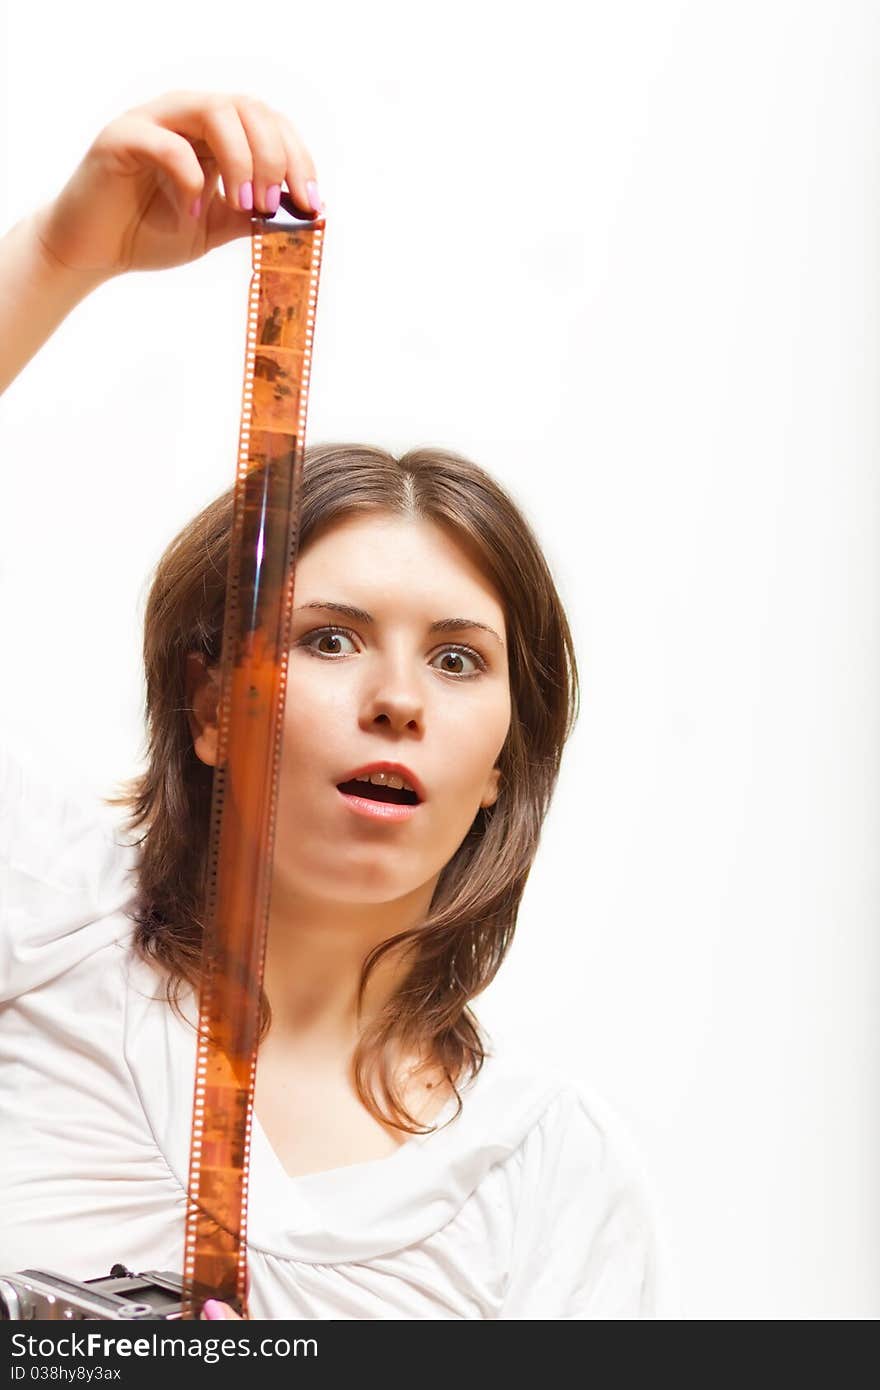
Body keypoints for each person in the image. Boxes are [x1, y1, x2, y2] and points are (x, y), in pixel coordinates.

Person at [0, 90, 672, 1320]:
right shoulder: (39, 927)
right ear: (210, 705)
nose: (399, 699)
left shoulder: (550, 1180)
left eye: (460, 660)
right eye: (328, 638)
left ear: (502, 761)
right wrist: (55, 256)